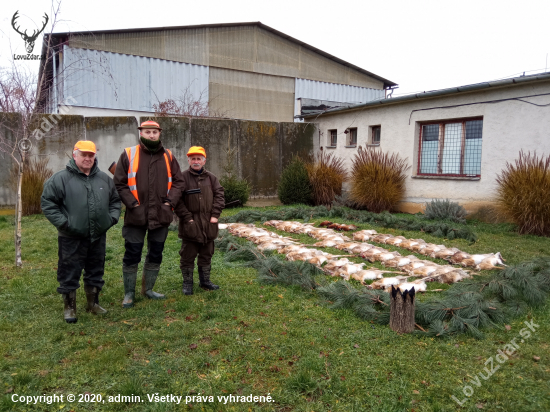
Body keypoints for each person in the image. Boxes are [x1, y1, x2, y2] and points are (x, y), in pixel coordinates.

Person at [41, 140, 121, 323]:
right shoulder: (60, 179)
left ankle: (93, 303)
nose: (87, 158)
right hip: (71, 236)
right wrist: (65, 224)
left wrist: (111, 219)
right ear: (74, 154)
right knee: (69, 271)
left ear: (95, 157)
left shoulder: (104, 179)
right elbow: (48, 203)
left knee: (95, 270)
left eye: (90, 155)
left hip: (98, 235)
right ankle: (69, 307)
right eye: (83, 154)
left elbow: (115, 201)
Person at [113, 120, 185, 308]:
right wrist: (133, 203)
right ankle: (129, 293)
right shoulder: (129, 154)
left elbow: (179, 182)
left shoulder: (168, 156)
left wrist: (169, 202)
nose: (151, 135)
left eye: (154, 132)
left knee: (156, 253)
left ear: (159, 133)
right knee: (132, 254)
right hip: (135, 216)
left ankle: (148, 289)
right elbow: (119, 183)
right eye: (147, 132)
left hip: (161, 215)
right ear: (141, 133)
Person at [175, 146, 225, 295]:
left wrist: (214, 216)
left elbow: (219, 196)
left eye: (198, 159)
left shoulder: (211, 178)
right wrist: (188, 218)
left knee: (206, 254)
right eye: (193, 159)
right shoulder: (182, 178)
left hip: (209, 223)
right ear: (188, 160)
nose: (196, 161)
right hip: (190, 224)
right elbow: (177, 201)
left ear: (204, 161)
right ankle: (187, 284)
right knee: (187, 255)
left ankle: (205, 281)